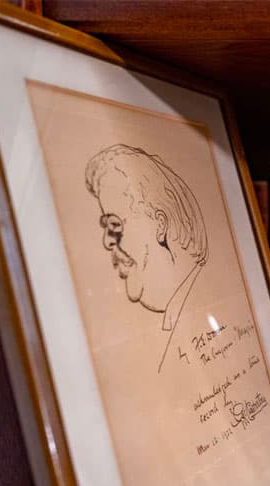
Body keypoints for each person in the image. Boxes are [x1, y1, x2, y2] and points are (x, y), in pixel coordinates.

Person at [85, 144, 208, 367]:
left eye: (115, 224)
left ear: (160, 225)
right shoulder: (175, 319)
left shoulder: (207, 307)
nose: (107, 241)